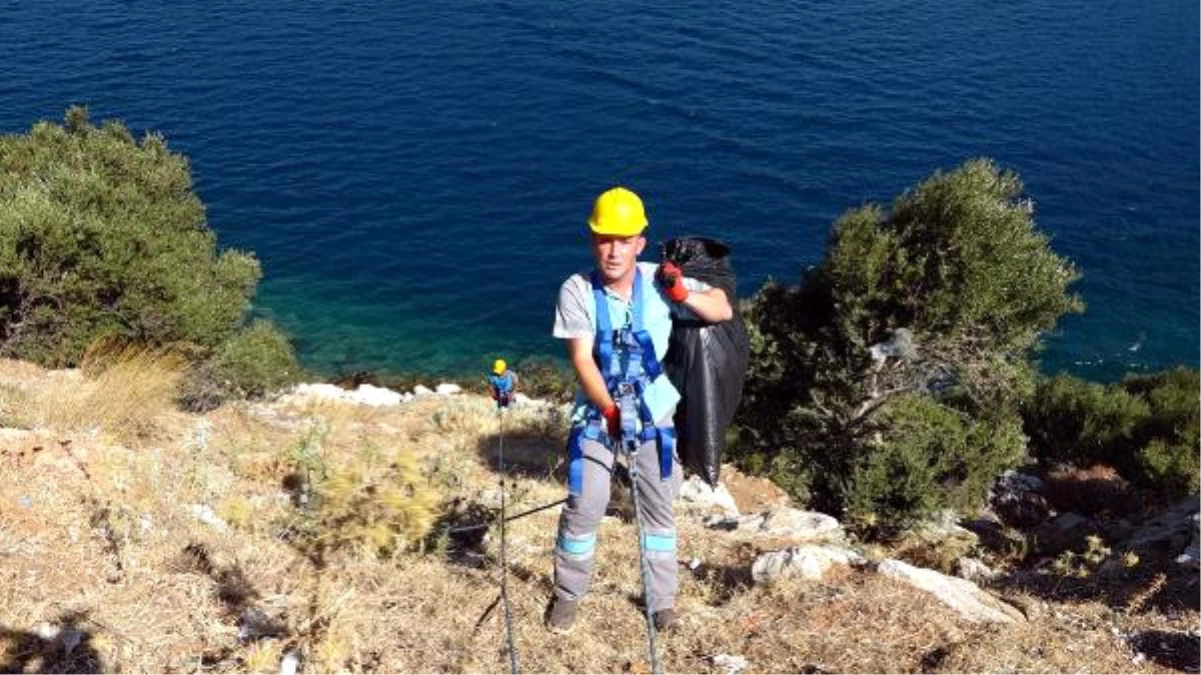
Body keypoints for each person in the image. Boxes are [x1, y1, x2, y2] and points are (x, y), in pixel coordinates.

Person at [546, 186, 733, 634]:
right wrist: (610, 412)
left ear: (639, 244)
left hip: (654, 409)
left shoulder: (658, 280)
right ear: (593, 241)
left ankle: (661, 602)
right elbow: (582, 359)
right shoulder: (576, 290)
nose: (613, 250)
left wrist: (681, 291)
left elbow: (721, 310)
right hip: (597, 411)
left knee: (659, 509)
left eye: (623, 240)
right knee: (585, 503)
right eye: (604, 239)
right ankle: (567, 596)